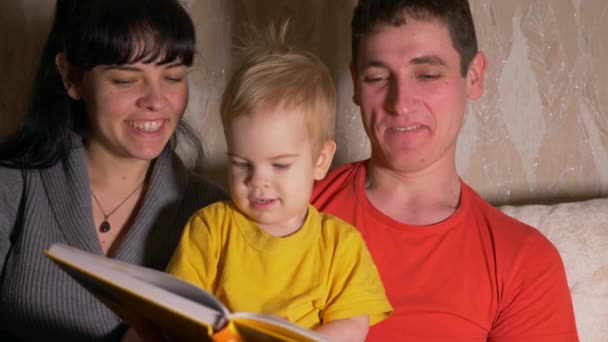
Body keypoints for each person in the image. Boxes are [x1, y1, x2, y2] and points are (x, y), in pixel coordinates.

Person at [311, 0, 579, 341]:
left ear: (474, 76)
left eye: (427, 75)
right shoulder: (290, 209)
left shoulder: (523, 263)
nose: (401, 104)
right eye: (377, 77)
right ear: (355, 84)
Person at [0, 0, 227, 340]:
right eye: (125, 80)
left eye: (173, 77)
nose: (155, 100)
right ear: (71, 77)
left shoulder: (215, 213)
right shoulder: (12, 188)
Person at [164, 23, 392, 342]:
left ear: (320, 160)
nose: (258, 180)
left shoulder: (340, 244)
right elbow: (178, 313)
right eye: (241, 163)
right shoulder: (210, 229)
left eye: (280, 165)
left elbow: (353, 326)